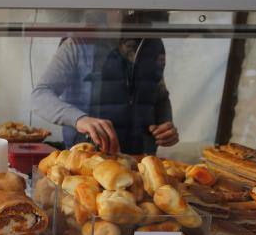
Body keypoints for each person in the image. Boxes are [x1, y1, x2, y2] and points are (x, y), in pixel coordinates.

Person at [31, 32, 178, 156]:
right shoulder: (78, 44)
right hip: (90, 161)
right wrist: (79, 119)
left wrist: (165, 124)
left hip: (142, 161)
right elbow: (40, 95)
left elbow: (160, 95)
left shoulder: (152, 43)